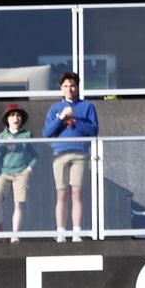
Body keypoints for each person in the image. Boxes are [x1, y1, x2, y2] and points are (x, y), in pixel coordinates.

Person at [42, 70, 97, 239]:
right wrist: (61, 118)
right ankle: (61, 231)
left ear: (77, 87)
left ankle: (77, 231)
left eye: (72, 86)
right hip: (60, 154)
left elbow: (93, 130)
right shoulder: (55, 108)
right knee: (62, 193)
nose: (69, 89)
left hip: (80, 153)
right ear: (61, 88)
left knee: (77, 192)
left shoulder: (87, 106)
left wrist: (76, 120)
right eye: (65, 86)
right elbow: (47, 132)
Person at [0, 104, 35, 239]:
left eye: (18, 115)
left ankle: (15, 235)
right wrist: (2, 148)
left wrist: (29, 169)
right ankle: (0, 232)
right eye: (12, 115)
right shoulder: (1, 136)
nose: (15, 118)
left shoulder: (27, 135)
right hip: (5, 172)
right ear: (7, 119)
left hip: (21, 172)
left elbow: (35, 155)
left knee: (18, 203)